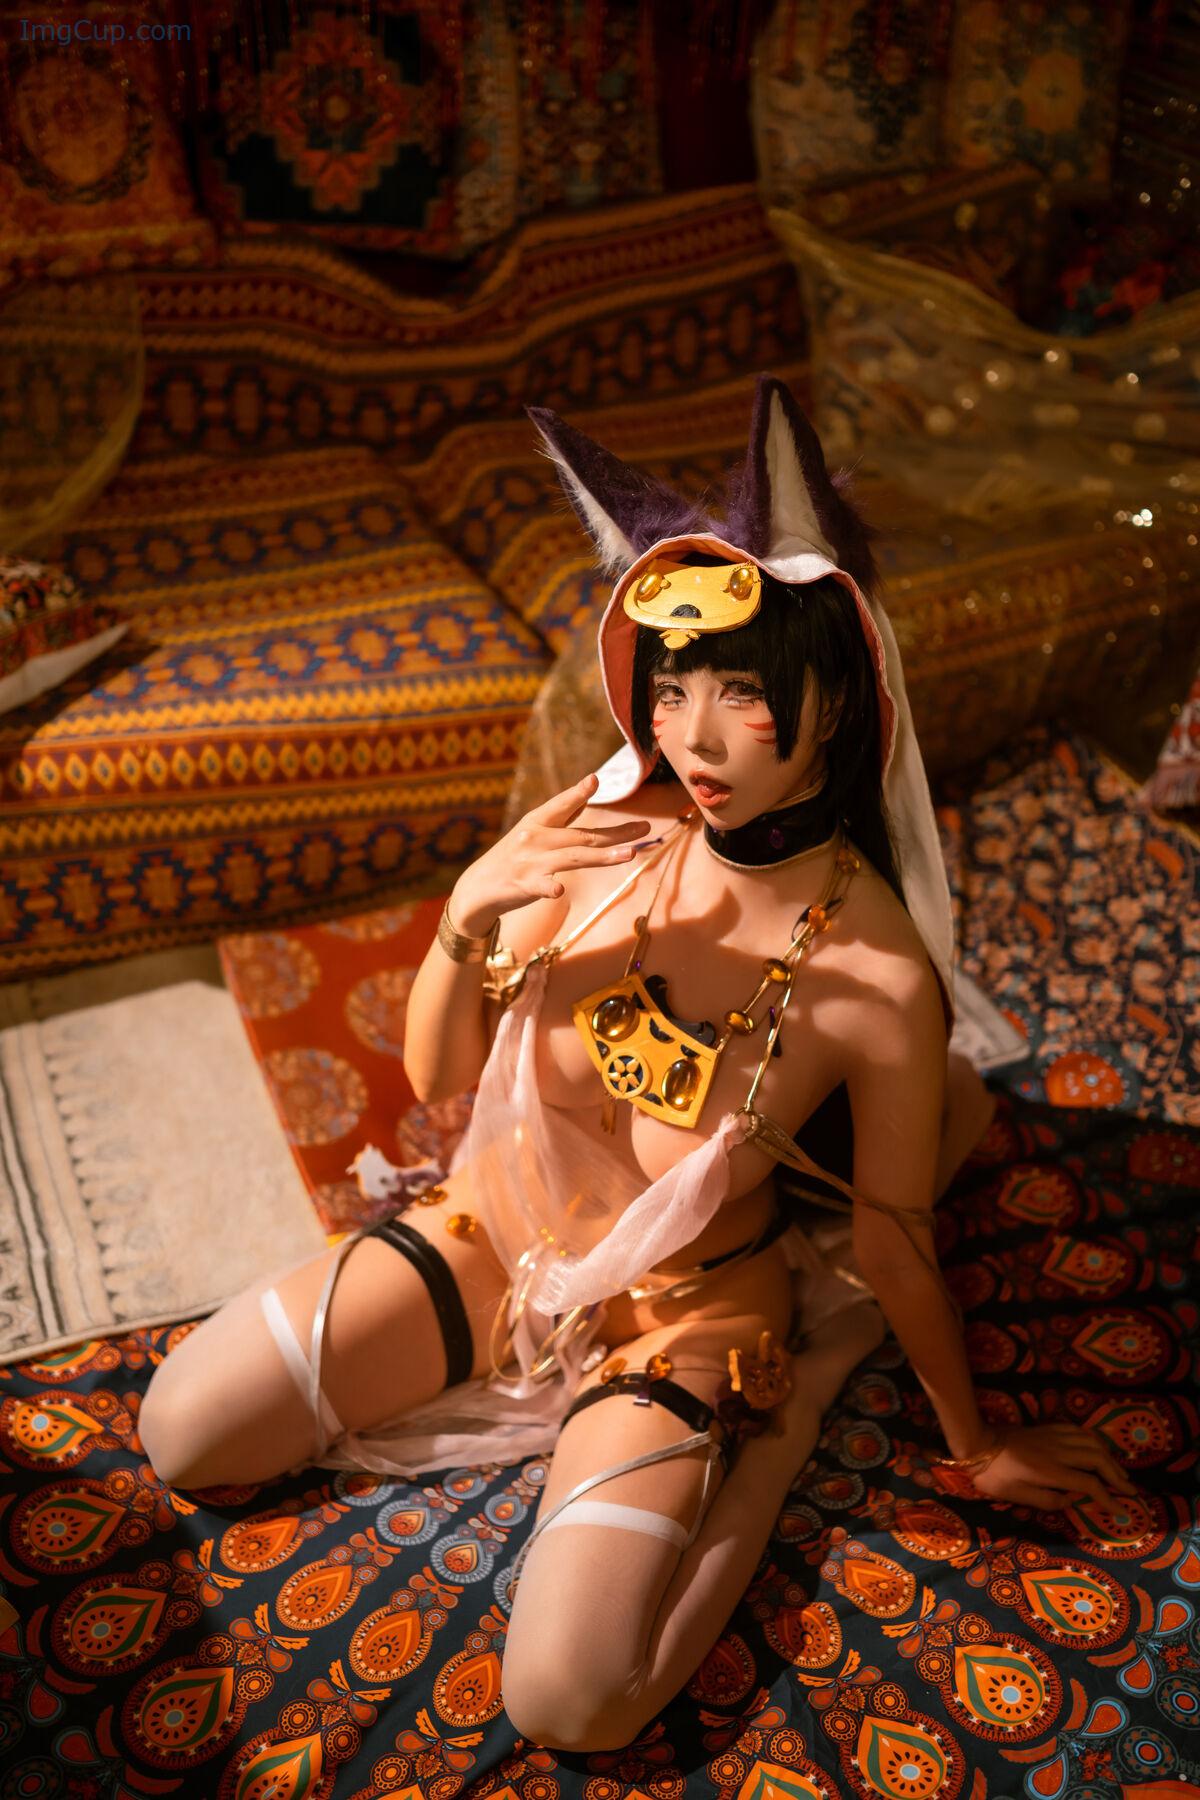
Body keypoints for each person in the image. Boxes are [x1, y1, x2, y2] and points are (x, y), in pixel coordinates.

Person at [139, 375, 1133, 1754]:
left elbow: (896, 1241)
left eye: (745, 692)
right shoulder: (603, 839)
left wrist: (973, 1445)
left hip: (688, 1315)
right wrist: (469, 913)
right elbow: (438, 1082)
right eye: (673, 688)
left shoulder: (877, 978)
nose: (694, 736)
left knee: (572, 1702)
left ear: (836, 703)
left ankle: (785, 1423)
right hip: (498, 1238)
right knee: (185, 1431)